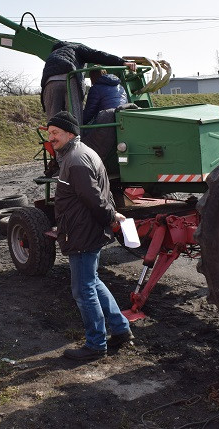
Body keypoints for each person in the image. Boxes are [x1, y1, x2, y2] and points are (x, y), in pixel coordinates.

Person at [46, 111, 134, 361]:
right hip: (84, 229)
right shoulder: (76, 154)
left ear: (70, 134)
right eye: (50, 133)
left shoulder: (76, 159)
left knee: (83, 290)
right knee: (92, 282)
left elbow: (93, 198)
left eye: (56, 133)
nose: (51, 137)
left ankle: (96, 344)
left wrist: (110, 216)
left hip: (82, 232)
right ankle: (120, 329)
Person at [41, 41, 136, 124]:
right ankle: (77, 140)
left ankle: (53, 141)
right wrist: (122, 62)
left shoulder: (53, 55)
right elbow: (98, 55)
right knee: (75, 117)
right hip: (70, 77)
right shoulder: (77, 48)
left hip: (50, 81)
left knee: (53, 119)